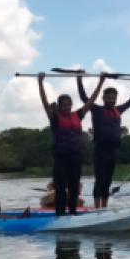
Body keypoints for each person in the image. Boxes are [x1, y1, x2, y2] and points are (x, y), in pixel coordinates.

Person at [38, 72, 106, 216]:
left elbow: (91, 100)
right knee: (61, 187)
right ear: (59, 106)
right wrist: (40, 82)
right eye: (63, 105)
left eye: (68, 105)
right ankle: (60, 214)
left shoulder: (78, 115)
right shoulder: (55, 117)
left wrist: (101, 82)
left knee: (74, 186)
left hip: (75, 157)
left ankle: (73, 212)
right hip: (61, 158)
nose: (66, 108)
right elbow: (44, 103)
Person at [77, 76, 130, 208]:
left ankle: (104, 208)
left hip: (113, 151)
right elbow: (83, 98)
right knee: (100, 180)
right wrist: (79, 79)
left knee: (108, 181)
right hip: (100, 149)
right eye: (109, 98)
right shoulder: (97, 110)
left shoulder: (118, 110)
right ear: (103, 98)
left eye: (113, 98)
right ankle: (96, 207)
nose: (111, 100)